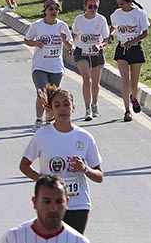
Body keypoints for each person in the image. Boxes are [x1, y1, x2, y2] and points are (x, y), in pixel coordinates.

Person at [19, 86, 103, 234]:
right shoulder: (42, 135)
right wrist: (43, 180)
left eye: (66, 104)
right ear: (51, 109)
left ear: (73, 107)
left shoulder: (85, 137)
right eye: (57, 105)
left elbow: (99, 176)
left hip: (78, 205)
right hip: (50, 205)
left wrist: (85, 169)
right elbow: (24, 165)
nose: (62, 109)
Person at [24, 0, 73, 131]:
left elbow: (70, 47)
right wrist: (36, 43)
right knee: (42, 93)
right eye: (51, 9)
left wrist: (64, 40)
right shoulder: (37, 25)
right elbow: (27, 40)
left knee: (53, 97)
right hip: (40, 66)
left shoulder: (62, 26)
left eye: (56, 9)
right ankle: (39, 120)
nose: (54, 11)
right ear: (45, 11)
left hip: (56, 67)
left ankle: (48, 122)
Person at [110, 0, 149, 122]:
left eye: (122, 4)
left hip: (136, 49)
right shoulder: (116, 14)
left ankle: (134, 97)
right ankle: (127, 111)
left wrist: (132, 41)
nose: (120, 7)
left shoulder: (139, 14)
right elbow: (114, 26)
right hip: (122, 50)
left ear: (130, 1)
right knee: (125, 81)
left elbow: (145, 33)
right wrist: (111, 34)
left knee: (134, 83)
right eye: (119, 4)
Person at [71, 0, 110, 121]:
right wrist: (69, 45)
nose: (93, 9)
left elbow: (106, 39)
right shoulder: (79, 19)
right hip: (81, 52)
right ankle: (87, 109)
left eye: (95, 6)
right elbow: (74, 34)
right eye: (90, 6)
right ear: (85, 7)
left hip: (96, 53)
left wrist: (100, 45)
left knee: (95, 83)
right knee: (87, 80)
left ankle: (95, 104)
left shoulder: (101, 19)